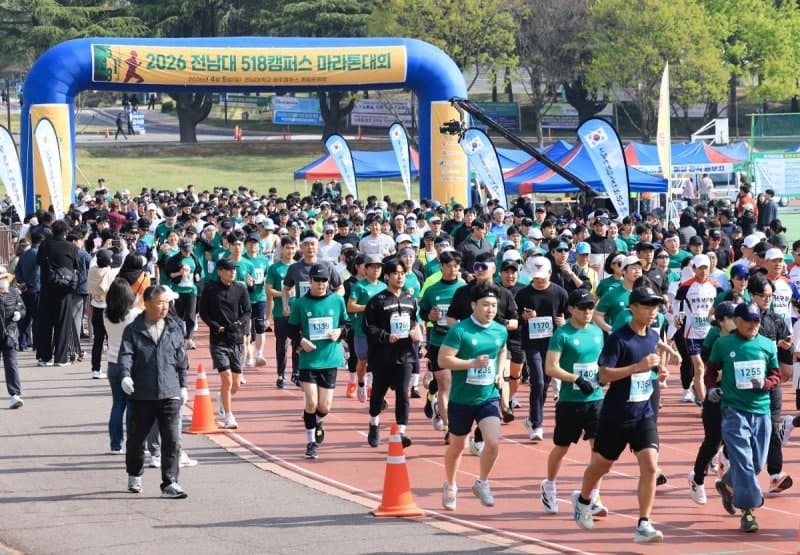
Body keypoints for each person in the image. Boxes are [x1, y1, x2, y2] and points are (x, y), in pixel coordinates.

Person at [572, 286, 668, 544]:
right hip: (616, 414)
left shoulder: (652, 336)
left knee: (650, 466)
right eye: (647, 305)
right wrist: (637, 367)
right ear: (633, 308)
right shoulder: (618, 338)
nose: (652, 311)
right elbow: (603, 376)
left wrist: (657, 373)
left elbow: (648, 369)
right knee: (602, 466)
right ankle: (582, 499)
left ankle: (644, 524)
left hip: (643, 413)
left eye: (655, 306)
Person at [707, 302, 781, 532]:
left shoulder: (767, 345)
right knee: (744, 462)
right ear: (737, 321)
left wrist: (767, 383)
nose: (753, 325)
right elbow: (710, 371)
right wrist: (711, 389)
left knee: (757, 463)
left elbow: (776, 374)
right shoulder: (723, 343)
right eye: (748, 320)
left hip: (761, 410)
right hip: (733, 410)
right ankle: (749, 511)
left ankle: (727, 483)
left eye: (757, 320)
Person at [438, 282, 508, 511]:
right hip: (461, 399)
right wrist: (471, 363)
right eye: (485, 305)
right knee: (457, 446)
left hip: (488, 395)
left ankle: (482, 482)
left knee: (493, 441)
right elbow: (443, 360)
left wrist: (499, 372)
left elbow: (502, 349)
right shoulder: (460, 331)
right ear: (473, 305)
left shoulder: (500, 330)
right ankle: (450, 484)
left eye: (494, 306)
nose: (490, 310)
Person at [119, 284, 189, 499]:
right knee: (136, 438)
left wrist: (183, 385)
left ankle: (170, 482)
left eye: (167, 303)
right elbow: (126, 355)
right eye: (160, 302)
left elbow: (181, 359)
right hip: (142, 393)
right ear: (147, 303)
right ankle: (134, 474)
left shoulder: (175, 327)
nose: (164, 307)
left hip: (169, 392)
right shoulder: (134, 329)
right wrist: (125, 375)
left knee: (173, 440)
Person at [541, 288, 606, 515]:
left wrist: (604, 376)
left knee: (599, 450)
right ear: (571, 309)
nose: (588, 311)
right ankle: (549, 484)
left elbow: (602, 361)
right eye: (583, 307)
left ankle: (593, 496)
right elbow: (550, 367)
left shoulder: (597, 333)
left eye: (591, 307)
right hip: (570, 401)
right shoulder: (562, 335)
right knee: (562, 447)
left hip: (596, 399)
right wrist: (576, 378)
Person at [288, 263, 348, 460]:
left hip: (330, 359)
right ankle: (310, 442)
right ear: (310, 281)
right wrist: (301, 341)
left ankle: (317, 422)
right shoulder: (299, 303)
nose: (321, 284)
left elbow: (345, 324)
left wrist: (339, 331)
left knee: (325, 407)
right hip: (309, 360)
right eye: (317, 280)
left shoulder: (337, 300)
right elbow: (291, 329)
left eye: (324, 280)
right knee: (311, 402)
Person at [363, 258, 422, 448]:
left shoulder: (409, 300)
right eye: (396, 273)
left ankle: (402, 433)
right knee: (378, 395)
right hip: (382, 357)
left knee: (403, 395)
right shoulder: (377, 301)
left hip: (405, 355)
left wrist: (416, 333)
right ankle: (374, 424)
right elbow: (368, 327)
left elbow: (414, 323)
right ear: (387, 276)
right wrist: (385, 336)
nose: (400, 277)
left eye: (403, 273)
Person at [688, 301, 738, 505]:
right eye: (732, 318)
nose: (737, 321)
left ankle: (730, 485)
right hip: (715, 399)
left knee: (737, 443)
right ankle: (697, 478)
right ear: (721, 321)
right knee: (713, 441)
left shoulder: (743, 339)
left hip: (736, 399)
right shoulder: (715, 341)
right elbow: (710, 371)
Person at [516, 256, 569, 442]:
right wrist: (524, 318)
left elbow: (571, 317)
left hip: (553, 345)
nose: (539, 280)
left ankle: (532, 418)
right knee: (537, 382)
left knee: (544, 385)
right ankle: (537, 424)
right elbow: (515, 319)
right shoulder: (522, 294)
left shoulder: (560, 293)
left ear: (549, 273)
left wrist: (564, 323)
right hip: (532, 345)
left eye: (542, 276)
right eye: (535, 277)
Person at [419, 249, 466, 443]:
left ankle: (444, 412)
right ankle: (449, 428)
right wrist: (429, 316)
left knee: (459, 387)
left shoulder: (465, 289)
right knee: (445, 385)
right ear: (441, 267)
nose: (453, 270)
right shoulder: (432, 290)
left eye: (456, 266)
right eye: (449, 266)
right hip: (439, 342)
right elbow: (422, 313)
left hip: (462, 344)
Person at [199, 258, 251, 429]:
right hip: (218, 340)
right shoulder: (210, 289)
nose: (232, 272)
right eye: (228, 269)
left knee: (235, 383)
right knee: (227, 379)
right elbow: (204, 312)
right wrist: (216, 326)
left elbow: (247, 311)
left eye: (234, 269)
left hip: (236, 339)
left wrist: (240, 324)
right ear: (220, 271)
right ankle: (229, 416)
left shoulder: (240, 288)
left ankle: (222, 398)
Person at [36, 220, 79, 366]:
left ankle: (44, 357)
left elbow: (39, 263)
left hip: (47, 289)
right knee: (63, 324)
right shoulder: (72, 247)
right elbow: (75, 267)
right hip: (64, 291)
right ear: (66, 232)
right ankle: (60, 358)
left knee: (45, 324)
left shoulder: (44, 245)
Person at [348, 254, 387, 402]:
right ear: (367, 269)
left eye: (379, 267)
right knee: (363, 361)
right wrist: (369, 307)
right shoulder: (359, 286)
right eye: (373, 267)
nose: (376, 269)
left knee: (378, 362)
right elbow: (350, 307)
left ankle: (373, 387)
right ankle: (361, 383)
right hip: (362, 331)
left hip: (379, 332)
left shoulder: (384, 287)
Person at [266, 236, 298, 388]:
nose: (290, 251)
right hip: (280, 312)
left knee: (298, 343)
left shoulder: (299, 267)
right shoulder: (274, 268)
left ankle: (296, 373)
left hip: (297, 312)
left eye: (292, 248)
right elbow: (268, 290)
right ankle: (280, 374)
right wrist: (284, 294)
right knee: (282, 345)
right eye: (287, 248)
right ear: (282, 249)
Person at [87, 249, 118, 379]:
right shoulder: (110, 273)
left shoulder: (92, 271)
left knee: (98, 341)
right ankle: (113, 369)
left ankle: (95, 369)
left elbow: (94, 260)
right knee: (112, 341)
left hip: (96, 307)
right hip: (109, 308)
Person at [0, 271, 25, 409]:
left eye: (5, 279)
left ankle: (15, 395)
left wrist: (19, 313)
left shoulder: (14, 293)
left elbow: (22, 307)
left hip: (10, 334)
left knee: (11, 364)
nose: (3, 282)